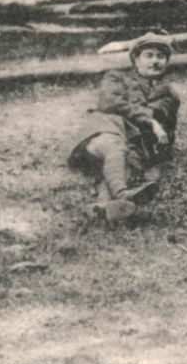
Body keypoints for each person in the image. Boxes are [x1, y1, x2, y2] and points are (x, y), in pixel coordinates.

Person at [66, 32, 181, 224]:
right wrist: (150, 121)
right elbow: (111, 103)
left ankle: (103, 208)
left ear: (166, 62)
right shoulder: (116, 78)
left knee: (124, 163)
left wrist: (158, 154)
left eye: (160, 57)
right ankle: (123, 194)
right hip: (102, 133)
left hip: (132, 145)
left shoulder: (169, 95)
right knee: (115, 147)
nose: (155, 61)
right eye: (149, 55)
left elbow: (166, 132)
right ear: (136, 59)